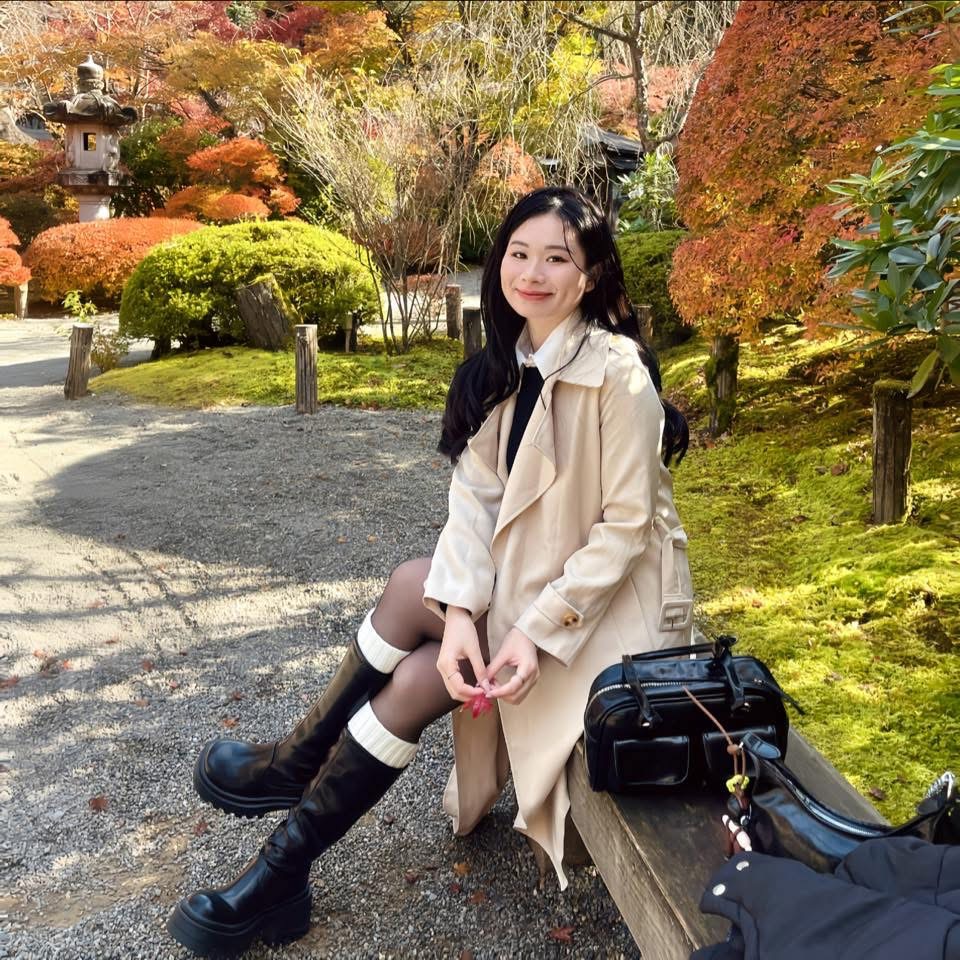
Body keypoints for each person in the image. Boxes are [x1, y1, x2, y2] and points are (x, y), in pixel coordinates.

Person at [167, 185, 693, 956]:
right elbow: (474, 505)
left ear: (589, 277)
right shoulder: (507, 367)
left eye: (557, 259)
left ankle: (291, 798)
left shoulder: (619, 373)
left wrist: (530, 632)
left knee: (414, 624)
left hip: (613, 619)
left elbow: (625, 530)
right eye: (519, 253)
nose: (533, 273)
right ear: (498, 262)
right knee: (421, 631)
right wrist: (462, 618)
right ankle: (282, 860)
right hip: (540, 586)